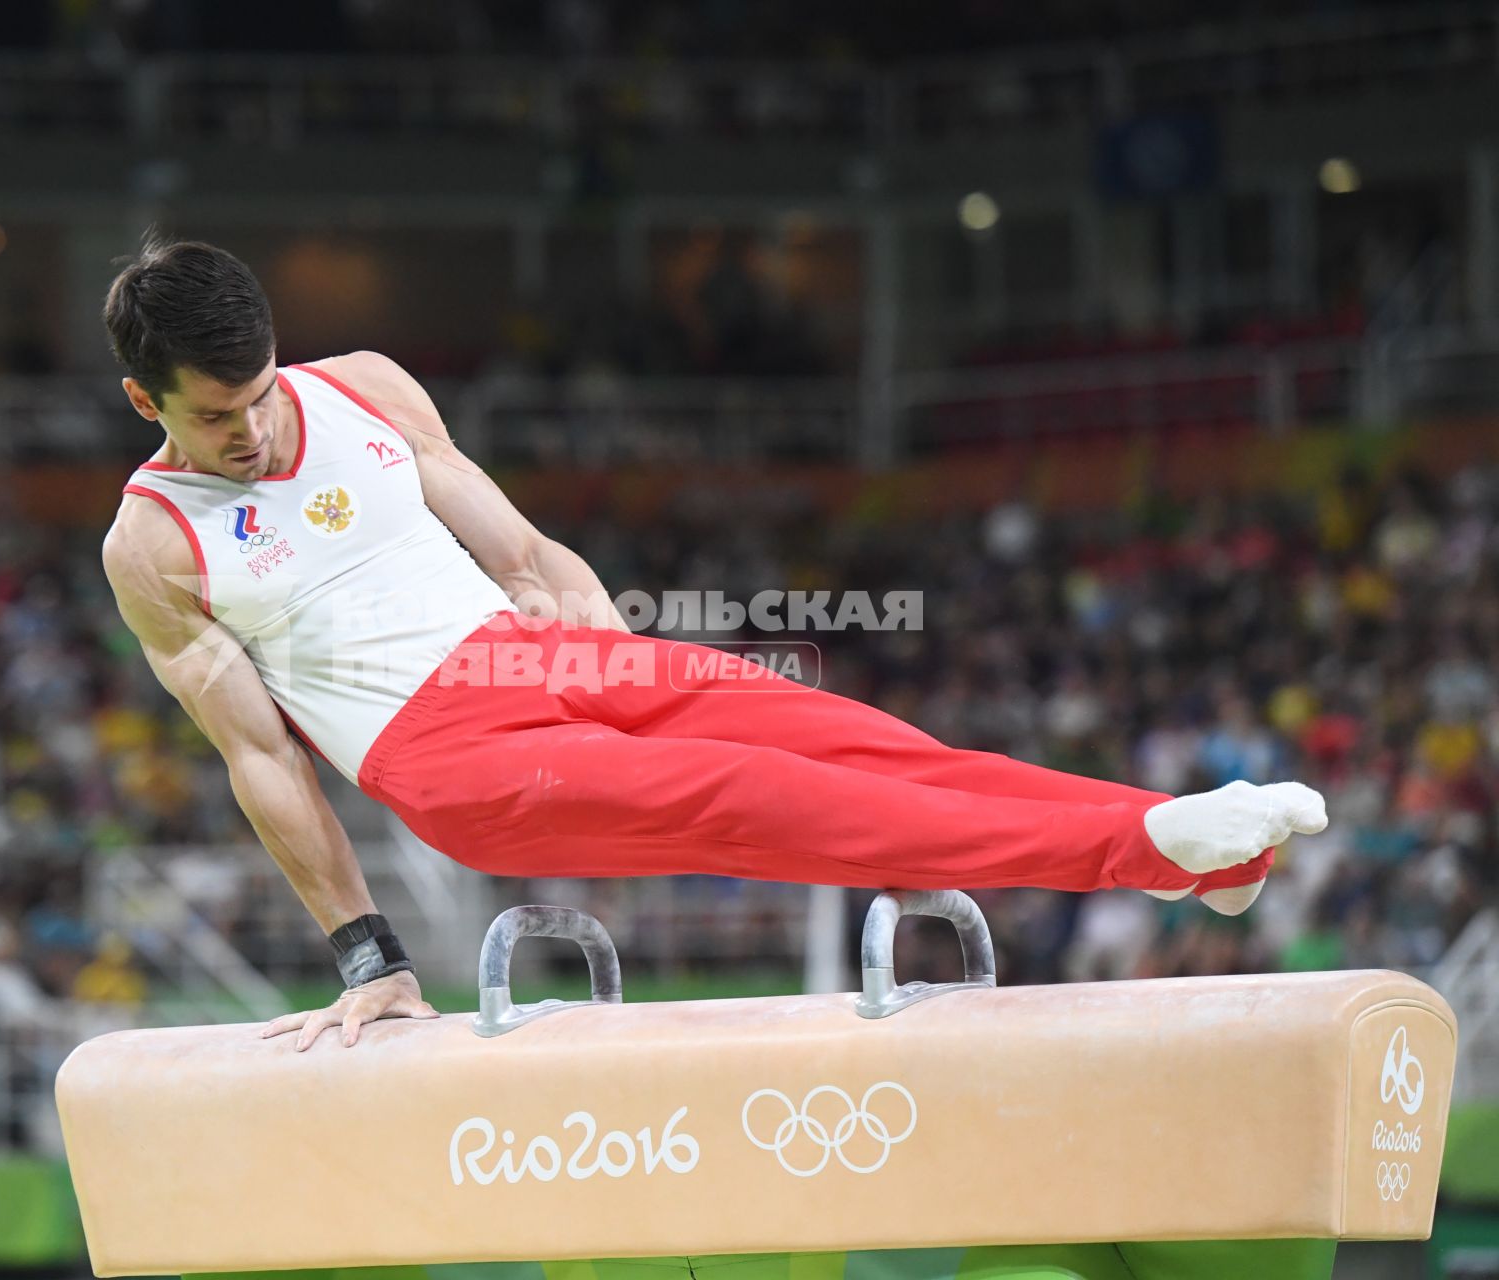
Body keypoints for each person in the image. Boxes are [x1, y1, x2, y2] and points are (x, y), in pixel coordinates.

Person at [97, 238, 1328, 1052]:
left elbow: (523, 557)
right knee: (768, 797)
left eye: (260, 390)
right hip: (449, 761)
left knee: (852, 737)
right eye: (219, 413)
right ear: (146, 399)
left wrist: (601, 668)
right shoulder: (152, 547)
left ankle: (1196, 861)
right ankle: (1135, 847)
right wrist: (371, 957)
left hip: (542, 659)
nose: (256, 425)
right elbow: (261, 757)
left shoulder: (363, 383)